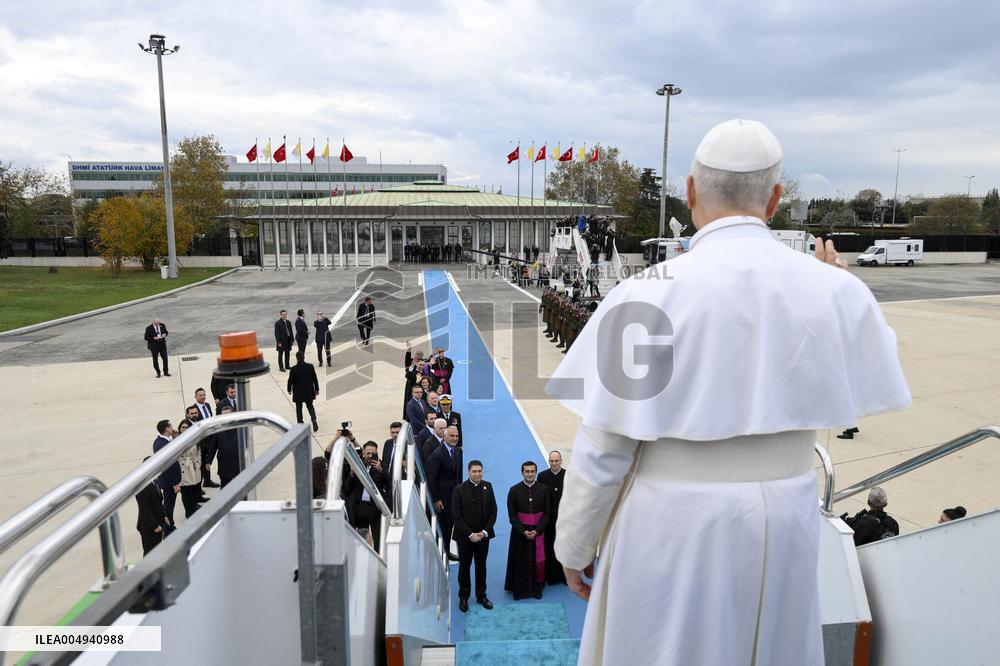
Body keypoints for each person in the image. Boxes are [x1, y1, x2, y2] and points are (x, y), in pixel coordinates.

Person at [547, 119, 911, 665]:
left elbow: (603, 448)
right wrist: (829, 283)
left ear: (690, 193)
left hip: (672, 522)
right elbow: (866, 363)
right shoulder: (837, 289)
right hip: (786, 517)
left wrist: (573, 547)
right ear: (775, 199)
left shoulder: (645, 293)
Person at [452, 459, 498, 612]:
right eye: (474, 471)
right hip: (465, 538)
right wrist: (470, 534)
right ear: (468, 472)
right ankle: (464, 597)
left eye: (479, 471)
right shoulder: (459, 489)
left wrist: (484, 532)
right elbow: (457, 516)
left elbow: (493, 512)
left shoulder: (488, 487)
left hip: (483, 537)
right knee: (464, 567)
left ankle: (481, 595)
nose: (477, 474)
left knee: (481, 567)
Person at [504, 461, 550, 600]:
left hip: (538, 532)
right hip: (520, 533)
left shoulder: (543, 489)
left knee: (537, 561)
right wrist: (523, 531)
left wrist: (538, 530)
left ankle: (536, 590)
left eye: (532, 471)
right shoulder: (514, 490)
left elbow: (547, 514)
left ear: (535, 472)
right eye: (527, 471)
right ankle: (520, 590)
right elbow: (512, 516)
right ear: (522, 473)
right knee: (520, 561)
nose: (530, 474)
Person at [426, 426, 463, 561]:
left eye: (456, 436)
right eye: (452, 436)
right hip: (443, 500)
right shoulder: (437, 455)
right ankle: (439, 555)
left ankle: (446, 552)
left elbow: (458, 475)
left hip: (455, 497)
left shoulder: (458, 452)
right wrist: (436, 499)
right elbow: (432, 480)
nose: (454, 439)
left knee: (451, 526)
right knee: (443, 528)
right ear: (445, 437)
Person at [346, 441, 390, 551]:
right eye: (368, 453)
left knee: (378, 540)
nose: (370, 456)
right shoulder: (358, 465)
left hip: (376, 508)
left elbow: (390, 483)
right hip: (361, 508)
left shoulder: (382, 466)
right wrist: (352, 474)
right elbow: (347, 487)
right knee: (362, 540)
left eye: (373, 453)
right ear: (363, 454)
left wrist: (381, 470)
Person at [537, 450, 567, 585]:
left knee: (564, 548)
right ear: (549, 461)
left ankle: (564, 576)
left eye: (556, 461)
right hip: (548, 520)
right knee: (548, 547)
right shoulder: (542, 476)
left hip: (564, 520)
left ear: (561, 461)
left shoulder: (568, 476)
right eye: (552, 461)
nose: (554, 463)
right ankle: (550, 576)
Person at [135, 456, 169, 555]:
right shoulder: (143, 486)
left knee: (156, 552)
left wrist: (163, 517)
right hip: (149, 528)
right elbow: (144, 510)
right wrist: (155, 526)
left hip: (158, 523)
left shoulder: (154, 480)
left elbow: (157, 503)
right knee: (150, 553)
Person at [152, 419, 180, 534]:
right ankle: (168, 528)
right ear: (167, 428)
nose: (172, 428)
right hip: (168, 482)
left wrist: (175, 436)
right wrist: (174, 483)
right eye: (171, 426)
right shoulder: (161, 444)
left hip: (170, 481)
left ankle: (170, 524)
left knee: (170, 505)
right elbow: (166, 466)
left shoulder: (164, 440)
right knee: (168, 506)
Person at [190, 388, 219, 488]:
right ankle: (200, 482)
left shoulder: (207, 405)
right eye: (200, 395)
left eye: (204, 395)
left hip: (210, 436)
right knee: (201, 461)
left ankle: (207, 480)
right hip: (201, 439)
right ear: (196, 397)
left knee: (208, 459)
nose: (203, 396)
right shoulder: (193, 409)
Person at [287, 351, 320, 432]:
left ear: (297, 358)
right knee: (310, 405)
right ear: (304, 357)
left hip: (298, 392)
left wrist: (289, 389)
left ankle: (300, 423)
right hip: (308, 391)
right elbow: (315, 379)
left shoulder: (294, 369)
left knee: (299, 408)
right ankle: (314, 420)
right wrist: (316, 389)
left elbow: (290, 380)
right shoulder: (310, 366)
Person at [176, 419, 202, 518]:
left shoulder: (194, 437)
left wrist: (198, 463)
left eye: (187, 427)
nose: (185, 429)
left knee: (194, 489)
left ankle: (194, 507)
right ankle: (189, 512)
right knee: (187, 493)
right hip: (185, 468)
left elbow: (199, 452)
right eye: (183, 427)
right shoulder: (177, 440)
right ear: (179, 428)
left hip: (194, 467)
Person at [215, 404, 240, 487]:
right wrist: (208, 461)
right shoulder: (218, 428)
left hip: (237, 463)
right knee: (225, 486)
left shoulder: (240, 428)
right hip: (224, 463)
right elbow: (213, 445)